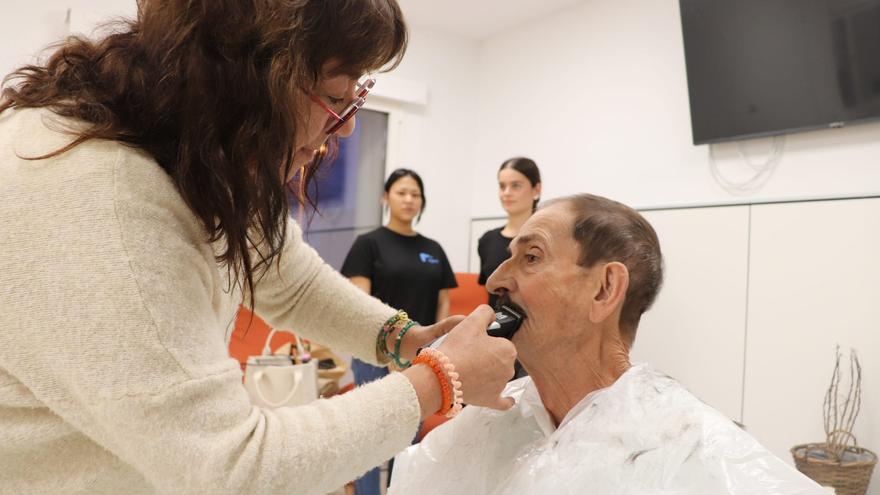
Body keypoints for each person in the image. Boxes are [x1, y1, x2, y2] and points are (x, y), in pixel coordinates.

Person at [0, 1, 516, 493]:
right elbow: (230, 468)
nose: (348, 126)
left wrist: (405, 339)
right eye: (336, 98)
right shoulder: (105, 201)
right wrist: (436, 381)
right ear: (248, 78)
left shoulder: (199, 152)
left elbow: (289, 279)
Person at [390, 194, 827, 495]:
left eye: (531, 257)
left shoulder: (692, 450)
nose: (494, 281)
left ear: (604, 290)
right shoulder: (492, 423)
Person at [340, 168, 458, 494]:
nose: (408, 199)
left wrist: (437, 348)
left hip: (421, 358)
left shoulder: (433, 249)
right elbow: (360, 302)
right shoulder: (368, 244)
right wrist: (392, 348)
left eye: (415, 194)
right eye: (401, 192)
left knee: (408, 436)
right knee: (372, 436)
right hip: (375, 354)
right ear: (385, 198)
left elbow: (443, 302)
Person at [477, 157, 542, 308]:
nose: (506, 193)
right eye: (502, 186)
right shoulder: (487, 240)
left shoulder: (548, 239)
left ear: (536, 190)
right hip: (495, 321)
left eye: (515, 186)